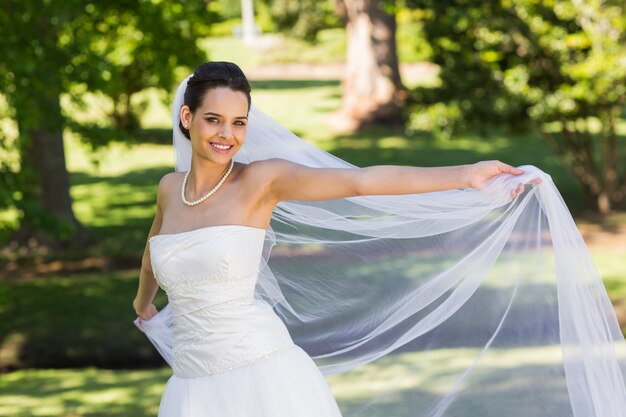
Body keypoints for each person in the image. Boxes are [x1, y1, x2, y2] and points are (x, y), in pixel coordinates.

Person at [134, 62, 626, 417]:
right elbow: (157, 248)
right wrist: (144, 304)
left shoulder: (262, 181)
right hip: (192, 388)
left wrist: (467, 173)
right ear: (187, 119)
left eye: (239, 122)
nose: (228, 134)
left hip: (259, 374)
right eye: (213, 119)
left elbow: (363, 181)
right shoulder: (169, 190)